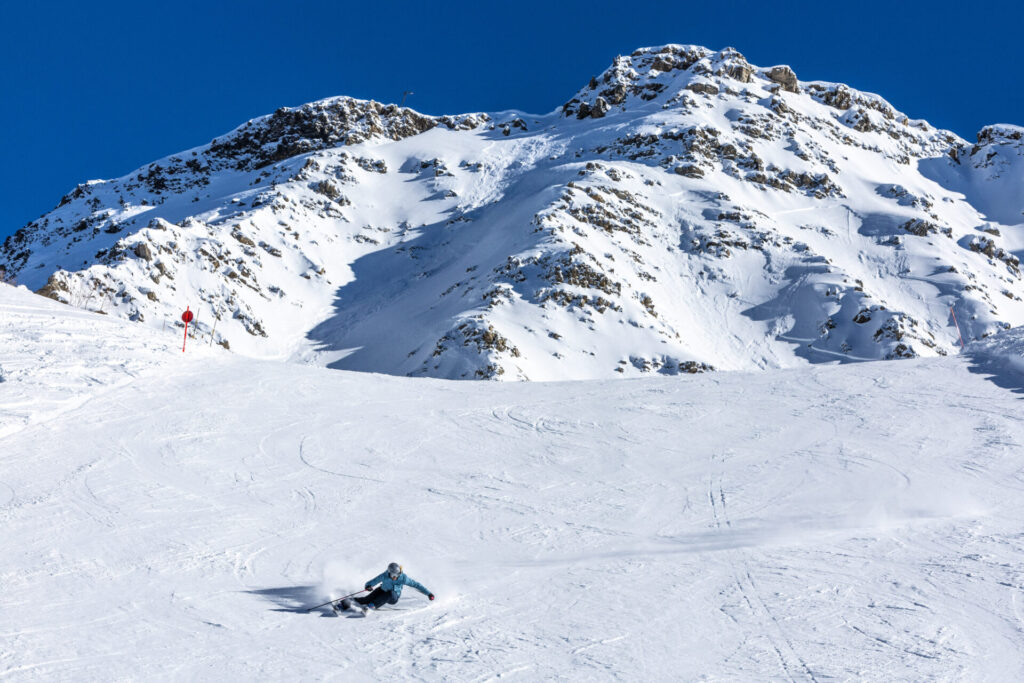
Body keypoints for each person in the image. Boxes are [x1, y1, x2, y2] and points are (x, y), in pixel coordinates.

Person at [336, 562, 434, 614]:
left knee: (390, 593)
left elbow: (417, 585)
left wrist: (428, 593)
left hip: (393, 597)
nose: (395, 577)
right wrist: (368, 586)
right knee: (365, 599)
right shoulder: (385, 575)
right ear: (389, 572)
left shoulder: (403, 578)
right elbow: (374, 581)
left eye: (397, 574)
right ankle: (343, 604)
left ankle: (371, 606)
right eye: (393, 575)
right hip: (382, 590)